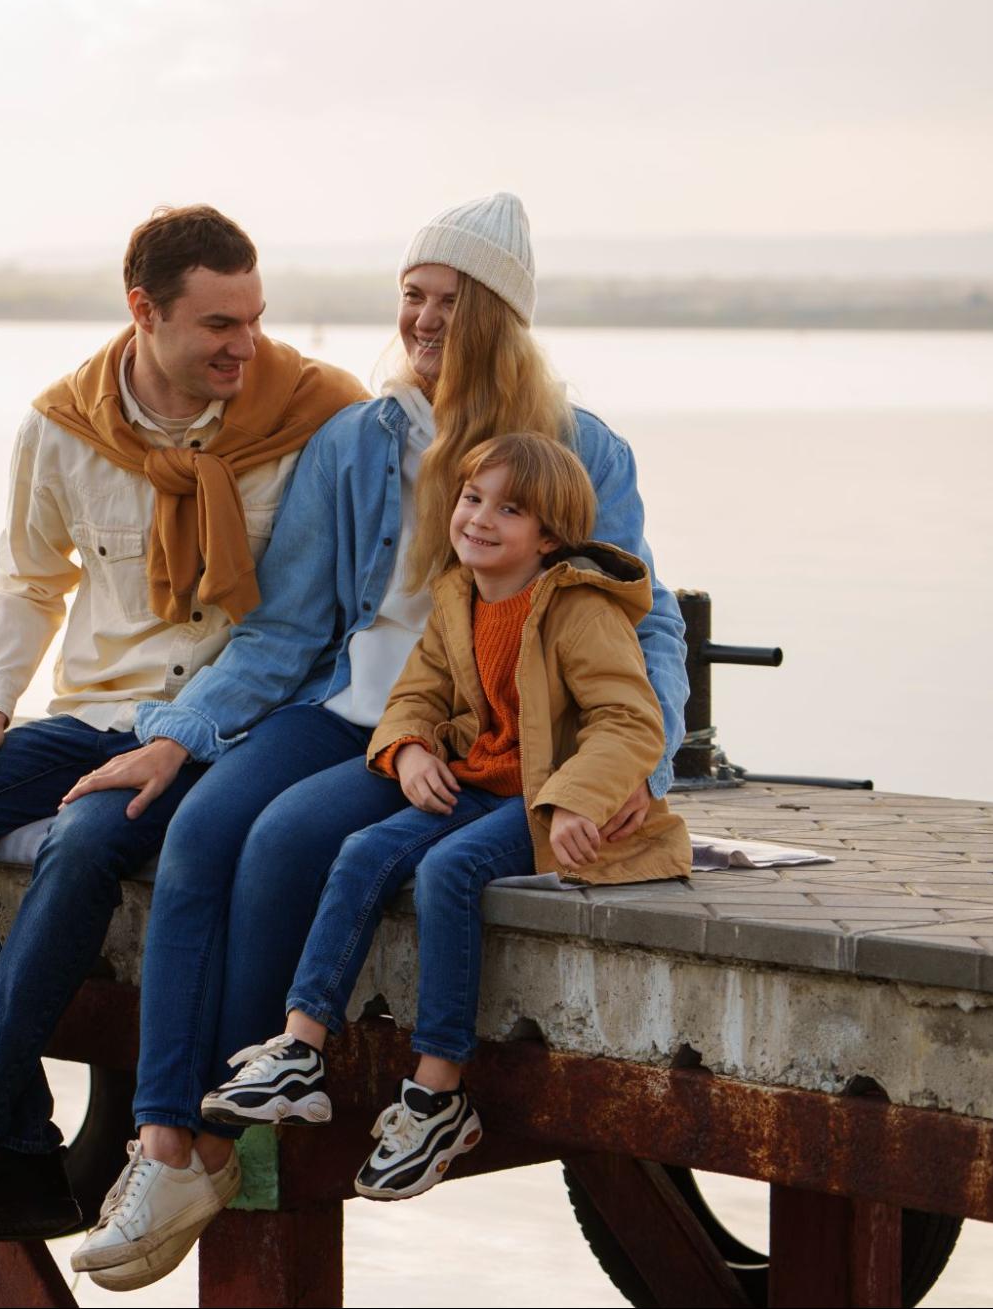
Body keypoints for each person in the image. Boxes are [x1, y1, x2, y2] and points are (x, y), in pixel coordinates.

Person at [62, 193, 688, 1291]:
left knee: (284, 844)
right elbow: (293, 626)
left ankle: (220, 1142)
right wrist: (182, 732)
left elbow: (644, 621)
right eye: (411, 295)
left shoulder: (574, 453)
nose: (422, 318)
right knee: (202, 825)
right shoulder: (359, 440)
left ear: (497, 314)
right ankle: (165, 1144)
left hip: (477, 734)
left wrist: (635, 759)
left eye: (448, 299)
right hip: (351, 710)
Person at [0, 205, 368, 1271]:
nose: (244, 347)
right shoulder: (63, 424)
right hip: (92, 711)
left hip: (229, 728)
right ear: (143, 313)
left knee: (81, 843)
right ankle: (16, 1140)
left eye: (254, 319)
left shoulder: (313, 413)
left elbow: (323, 609)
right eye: (216, 325)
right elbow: (29, 579)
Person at [197, 431, 689, 1203]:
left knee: (447, 867)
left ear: (549, 536)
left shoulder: (579, 607)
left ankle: (435, 1093)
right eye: (471, 498)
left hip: (542, 797)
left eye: (510, 509)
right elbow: (414, 696)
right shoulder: (455, 598)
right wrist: (409, 752)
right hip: (474, 780)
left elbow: (629, 721)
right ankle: (299, 1048)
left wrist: (573, 800)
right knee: (361, 848)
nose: (480, 519)